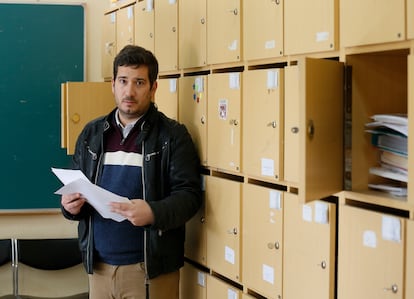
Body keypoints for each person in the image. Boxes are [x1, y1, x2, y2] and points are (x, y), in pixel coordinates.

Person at [60, 45, 202, 299]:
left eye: (139, 82)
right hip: (99, 268)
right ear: (113, 84)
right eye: (123, 81)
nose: (129, 91)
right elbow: (76, 190)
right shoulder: (91, 134)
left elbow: (190, 196)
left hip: (149, 269)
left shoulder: (171, 136)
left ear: (153, 88)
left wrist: (153, 212)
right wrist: (70, 207)